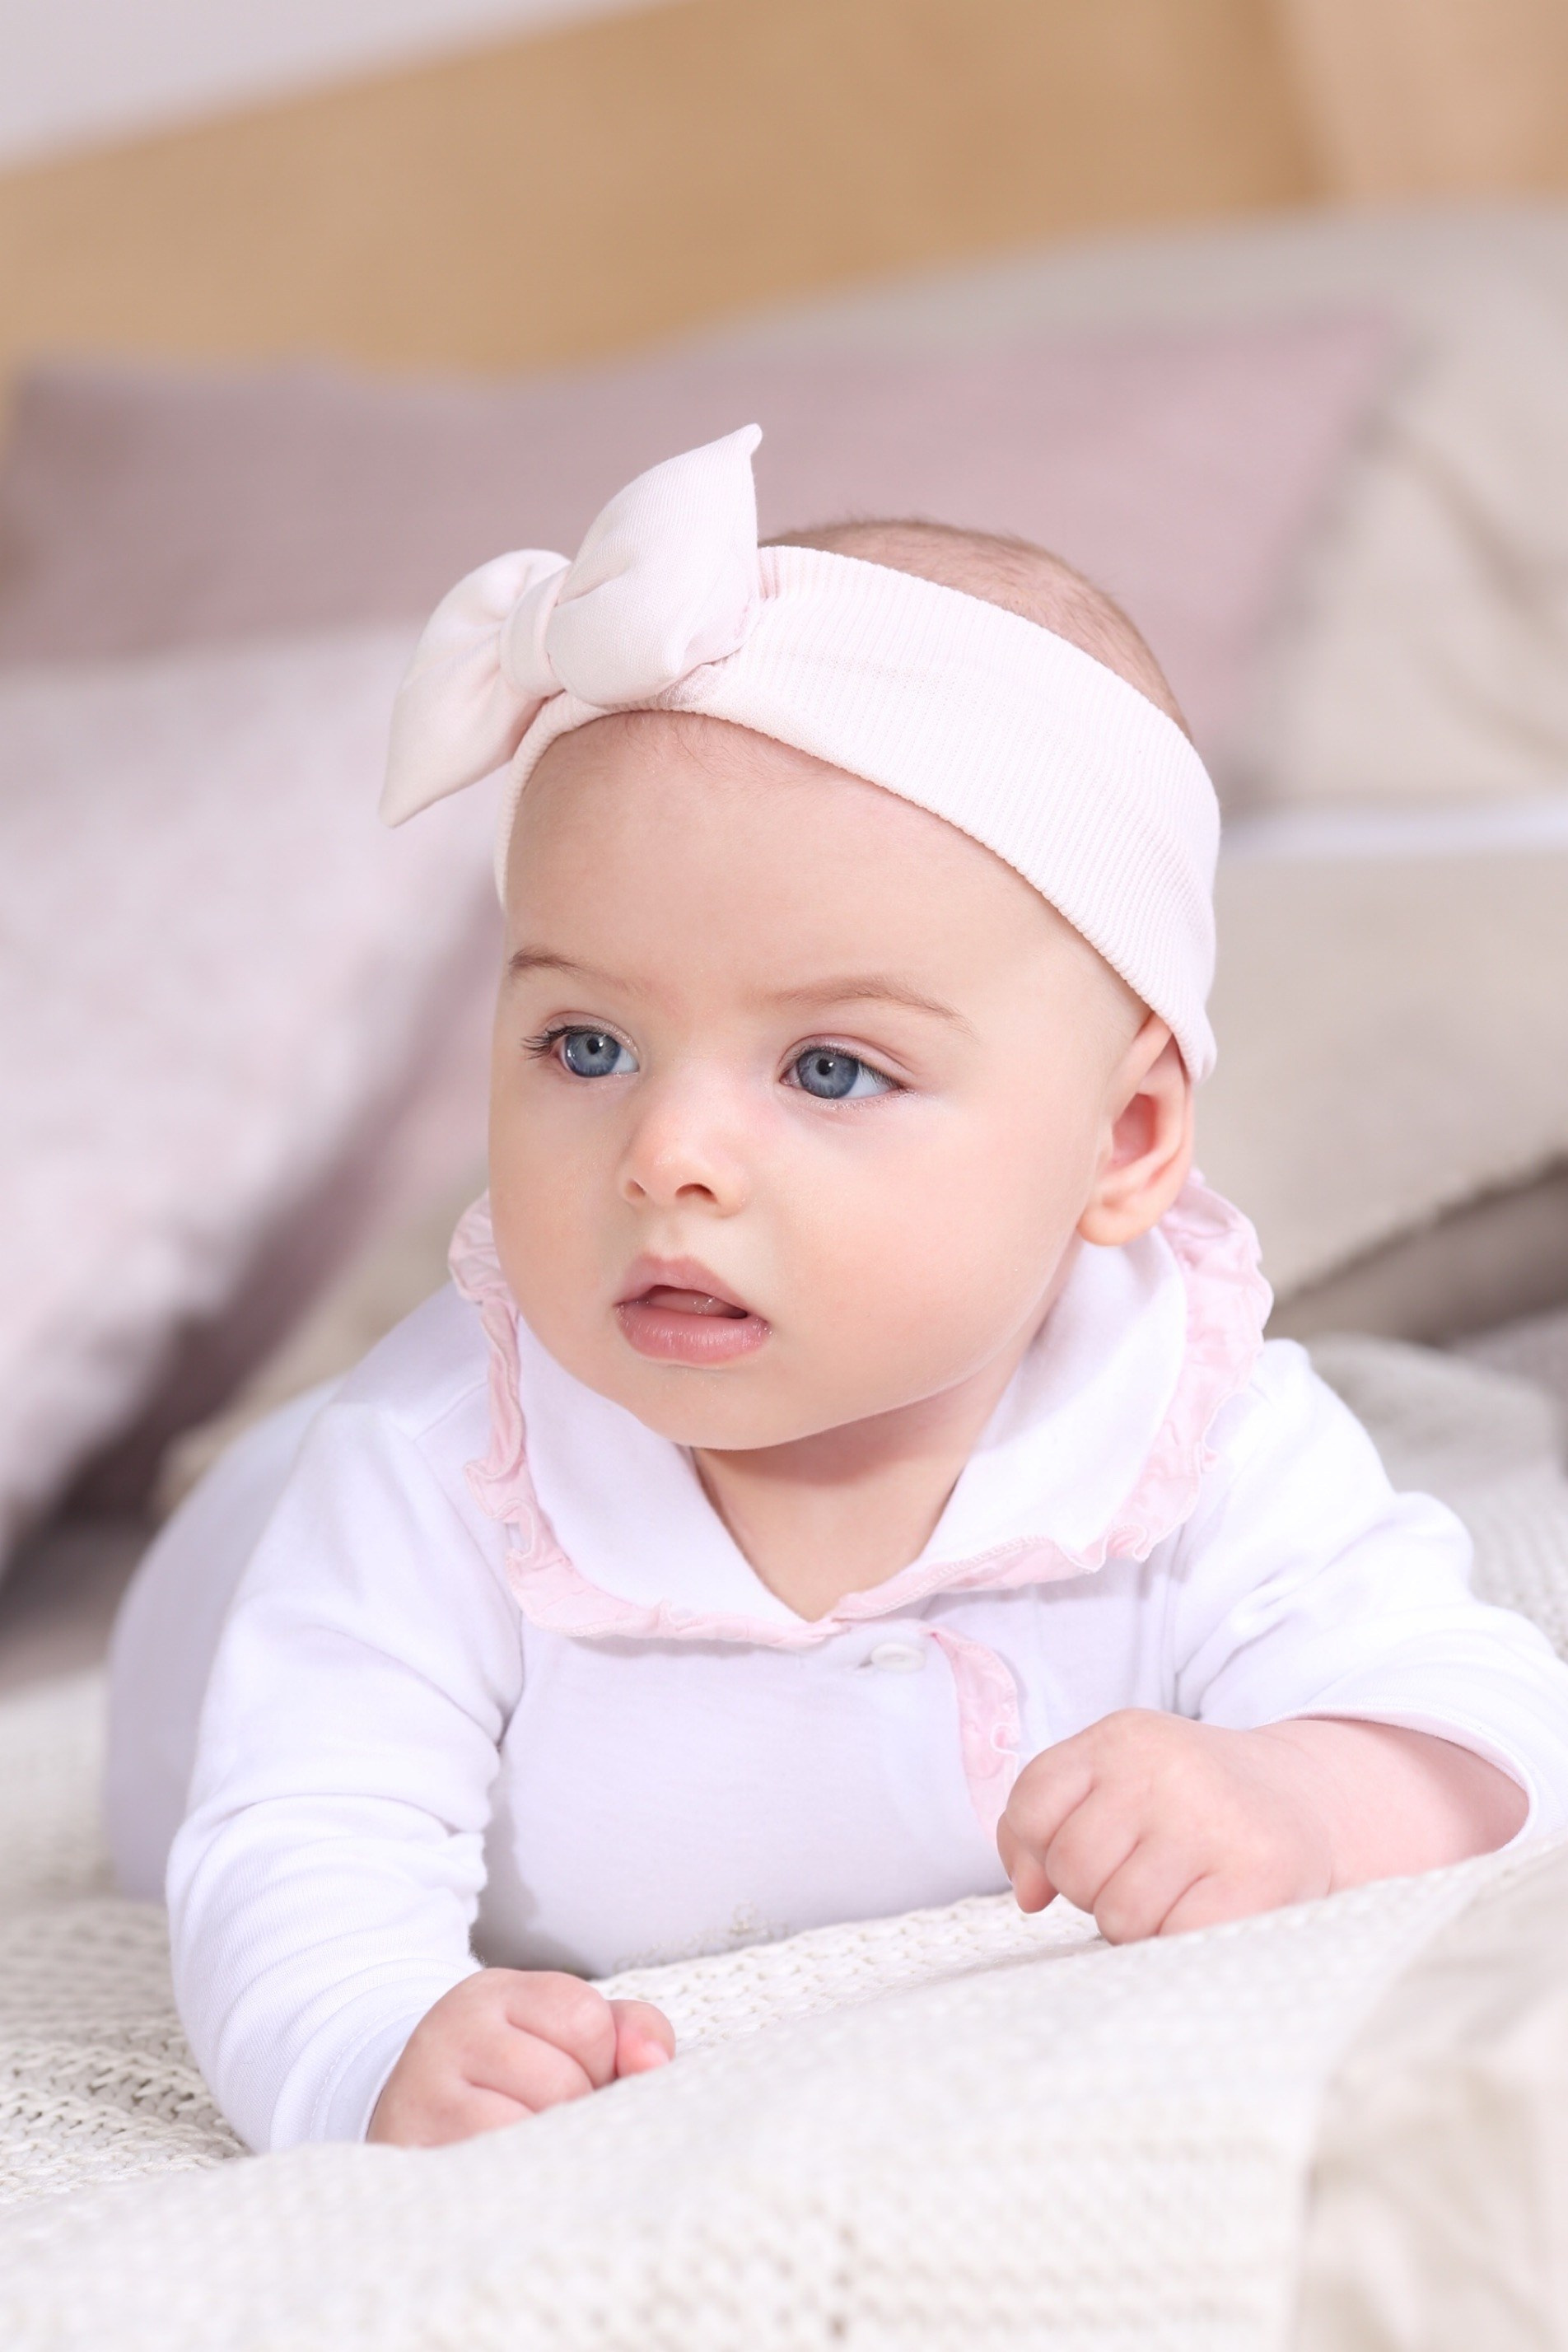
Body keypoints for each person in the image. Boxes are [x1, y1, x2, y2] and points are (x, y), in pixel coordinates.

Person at [108, 427, 1568, 2157]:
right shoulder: (434, 1468)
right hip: (239, 1590)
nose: (667, 1158)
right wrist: (370, 2044)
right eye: (587, 1045)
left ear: (1122, 1140)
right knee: (282, 1527)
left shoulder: (1190, 1431)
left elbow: (1481, 1719)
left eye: (829, 1070)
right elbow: (295, 1842)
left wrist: (1305, 1793)